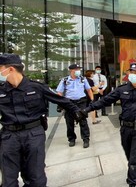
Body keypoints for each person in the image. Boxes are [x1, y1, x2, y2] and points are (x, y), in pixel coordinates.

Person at [0, 53, 84, 187]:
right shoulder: (1, 90)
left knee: (36, 177)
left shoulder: (36, 87)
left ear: (10, 69)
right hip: (9, 137)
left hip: (33, 134)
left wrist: (76, 111)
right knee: (8, 180)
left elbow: (60, 99)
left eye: (0, 67)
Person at [81, 63, 136, 187]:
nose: (132, 75)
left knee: (134, 160)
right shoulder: (122, 89)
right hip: (126, 128)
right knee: (130, 155)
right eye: (131, 72)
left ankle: (132, 183)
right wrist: (87, 109)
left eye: (135, 72)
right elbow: (105, 100)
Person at [56, 64, 93, 148]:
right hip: (69, 103)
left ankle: (86, 139)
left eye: (79, 69)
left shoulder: (83, 79)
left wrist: (92, 100)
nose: (78, 71)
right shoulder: (65, 80)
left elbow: (89, 90)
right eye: (76, 69)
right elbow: (59, 92)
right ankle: (71, 139)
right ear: (71, 70)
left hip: (81, 101)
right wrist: (61, 102)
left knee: (83, 120)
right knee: (69, 122)